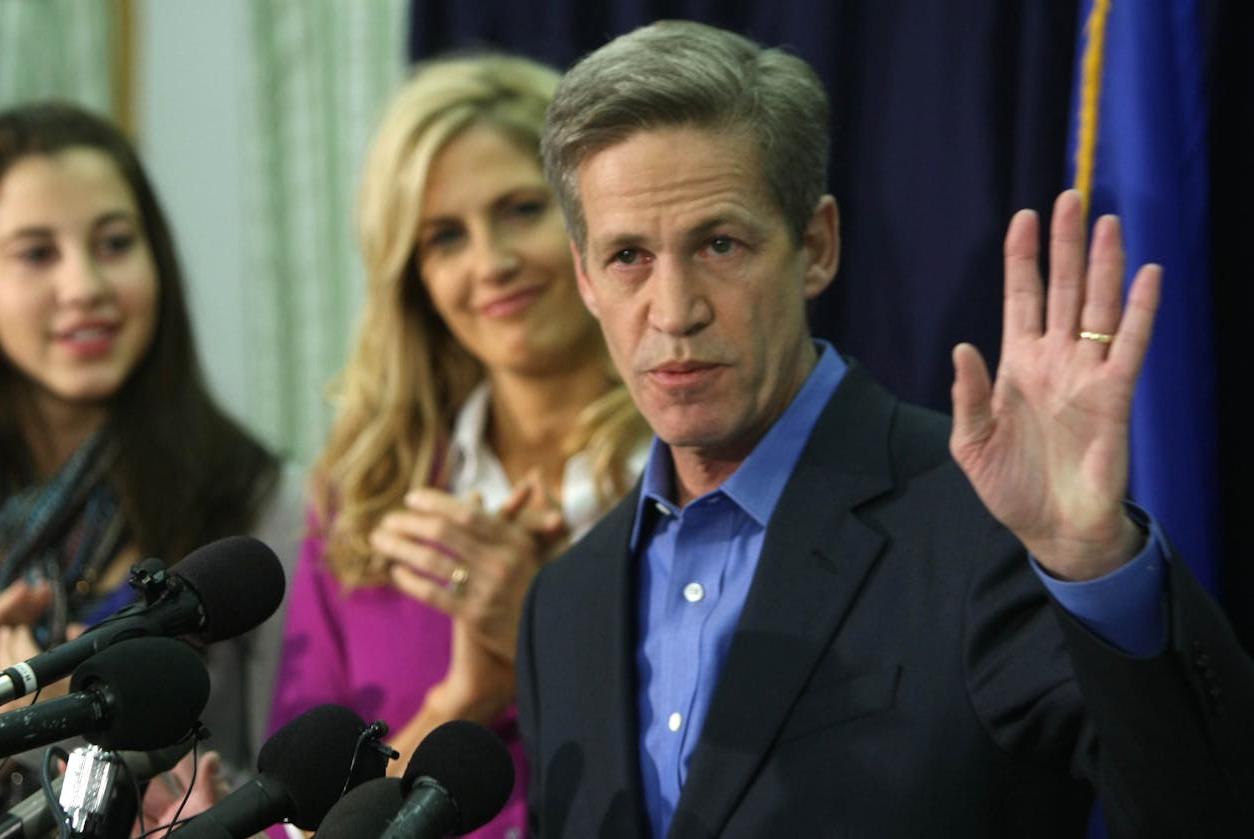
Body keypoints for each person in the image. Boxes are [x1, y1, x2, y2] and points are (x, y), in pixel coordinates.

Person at [517, 20, 1254, 838]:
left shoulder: (987, 526)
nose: (674, 310)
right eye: (629, 258)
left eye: (719, 244)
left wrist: (1091, 560)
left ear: (817, 246)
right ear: (585, 279)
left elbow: (1208, 807)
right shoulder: (563, 605)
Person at [0, 102, 301, 832]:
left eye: (114, 242)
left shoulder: (255, 502)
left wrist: (78, 729)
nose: (85, 285)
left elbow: (292, 793)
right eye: (36, 253)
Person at [267, 54, 650, 838]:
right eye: (445, 236)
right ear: (413, 278)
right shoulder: (362, 499)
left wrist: (544, 640)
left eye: (520, 209)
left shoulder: (698, 467)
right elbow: (298, 822)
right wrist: (462, 698)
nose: (491, 263)